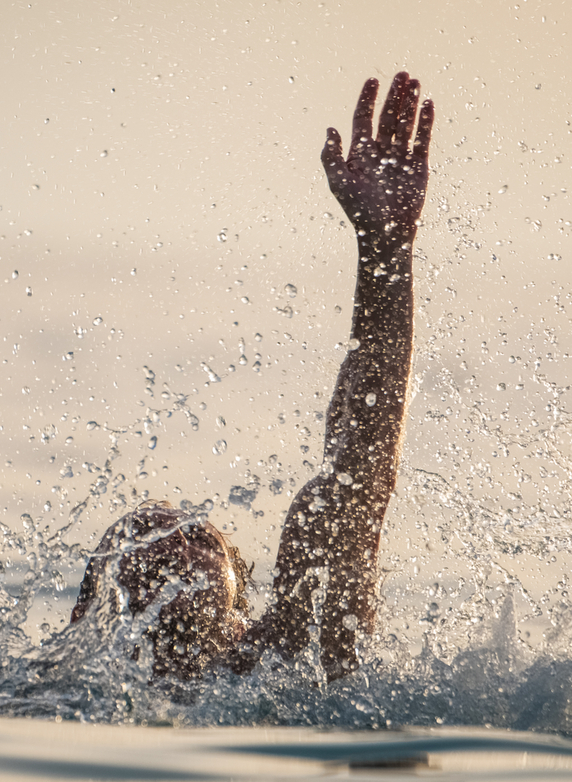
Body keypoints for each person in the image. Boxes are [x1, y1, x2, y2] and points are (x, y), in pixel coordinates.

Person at [70, 72, 434, 682]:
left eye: (203, 540)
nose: (180, 546)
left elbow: (363, 471)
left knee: (320, 513)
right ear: (89, 610)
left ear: (242, 597)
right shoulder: (53, 690)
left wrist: (385, 249)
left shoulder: (285, 655)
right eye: (145, 538)